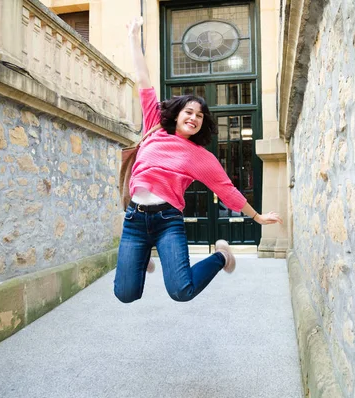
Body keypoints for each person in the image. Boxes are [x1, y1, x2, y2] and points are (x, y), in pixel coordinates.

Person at [113, 17, 283, 303]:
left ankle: (221, 255)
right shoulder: (155, 123)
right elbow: (143, 81)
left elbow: (227, 190)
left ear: (203, 124)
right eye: (189, 112)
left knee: (182, 291)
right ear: (177, 113)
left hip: (168, 221)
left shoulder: (200, 157)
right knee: (125, 294)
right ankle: (141, 259)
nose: (193, 118)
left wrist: (257, 216)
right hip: (135, 218)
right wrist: (133, 36)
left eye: (200, 116)